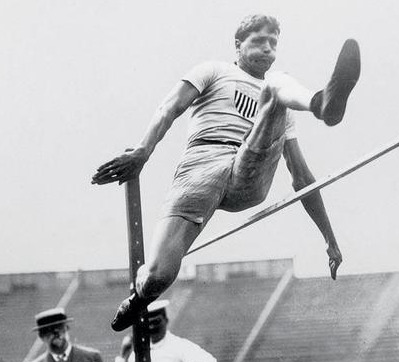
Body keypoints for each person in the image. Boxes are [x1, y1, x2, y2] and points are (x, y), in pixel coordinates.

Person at [91, 14, 361, 332]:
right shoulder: (214, 71)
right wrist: (143, 151)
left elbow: (301, 177)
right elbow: (170, 108)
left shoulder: (280, 100)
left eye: (273, 43)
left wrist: (329, 239)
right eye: (259, 41)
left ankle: (321, 103)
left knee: (276, 84)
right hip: (201, 165)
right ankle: (139, 299)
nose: (268, 49)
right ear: (237, 44)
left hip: (248, 169)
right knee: (157, 277)